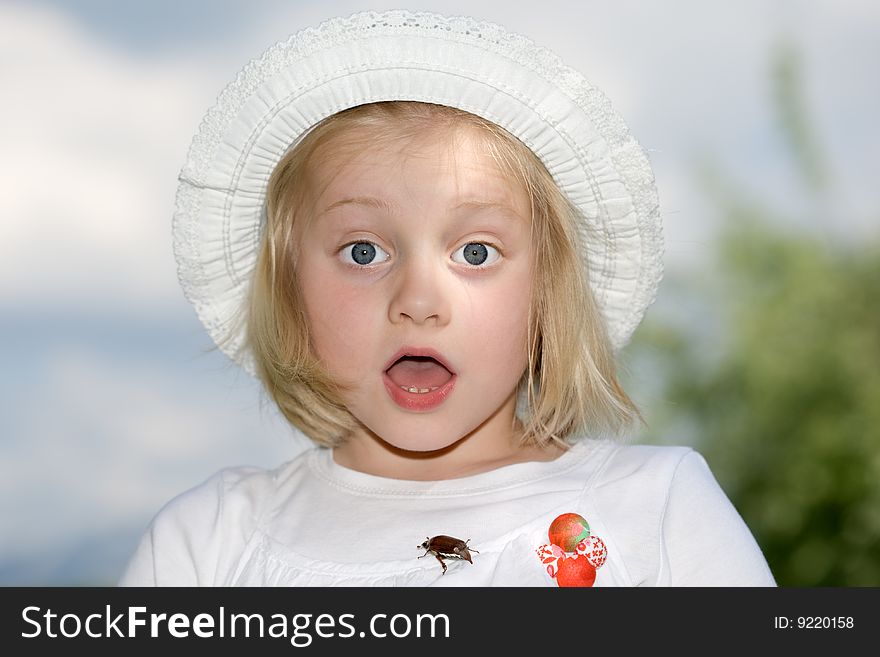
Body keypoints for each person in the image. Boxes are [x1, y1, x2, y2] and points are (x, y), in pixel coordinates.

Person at [119, 9, 775, 586]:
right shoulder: (206, 543)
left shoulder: (657, 512)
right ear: (291, 293)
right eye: (364, 252)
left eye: (477, 252)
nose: (418, 300)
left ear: (547, 291)